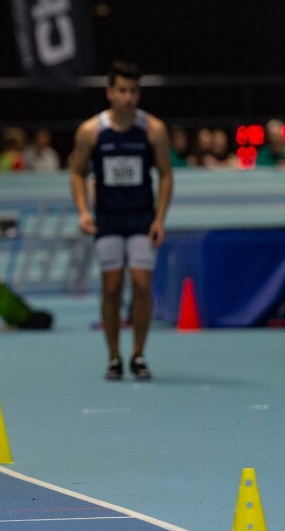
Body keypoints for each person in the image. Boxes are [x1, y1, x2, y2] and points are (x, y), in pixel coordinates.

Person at [69, 61, 173, 381]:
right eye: (123, 90)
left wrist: (159, 219)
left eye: (134, 91)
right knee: (111, 286)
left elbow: (166, 175)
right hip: (109, 219)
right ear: (110, 93)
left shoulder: (153, 130)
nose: (128, 97)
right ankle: (113, 355)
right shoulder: (91, 131)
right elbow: (76, 172)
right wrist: (84, 212)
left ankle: (138, 354)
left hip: (141, 217)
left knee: (142, 284)